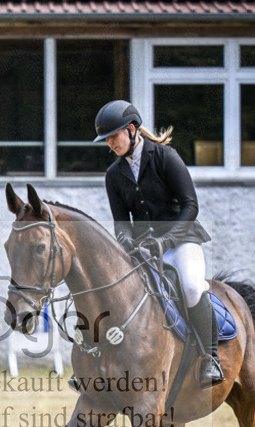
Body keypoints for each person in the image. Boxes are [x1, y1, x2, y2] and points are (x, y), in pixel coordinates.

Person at [93, 99, 223, 387]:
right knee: (116, 290)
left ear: (131, 129)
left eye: (113, 136)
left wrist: (166, 241)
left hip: (181, 242)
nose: (110, 144)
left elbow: (191, 206)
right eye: (107, 140)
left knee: (190, 286)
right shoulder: (114, 174)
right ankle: (99, 363)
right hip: (144, 250)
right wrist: (125, 239)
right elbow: (121, 222)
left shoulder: (165, 157)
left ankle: (210, 358)